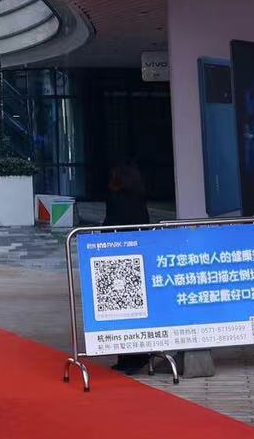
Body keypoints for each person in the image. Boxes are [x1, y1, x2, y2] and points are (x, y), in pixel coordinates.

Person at [102, 156, 151, 374]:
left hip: (118, 258)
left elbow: (110, 225)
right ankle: (136, 357)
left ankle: (128, 359)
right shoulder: (139, 197)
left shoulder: (116, 198)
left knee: (121, 310)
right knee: (135, 309)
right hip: (137, 257)